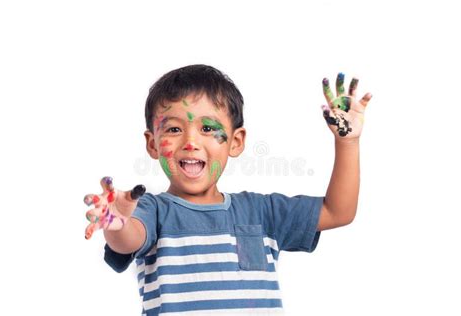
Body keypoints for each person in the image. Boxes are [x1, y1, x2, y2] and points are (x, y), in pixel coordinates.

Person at [83, 64, 372, 315]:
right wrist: (116, 223)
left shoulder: (262, 212)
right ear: (152, 144)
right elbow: (127, 240)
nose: (191, 141)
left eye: (208, 128)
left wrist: (347, 143)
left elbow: (338, 211)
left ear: (236, 141)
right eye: (173, 129)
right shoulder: (151, 210)